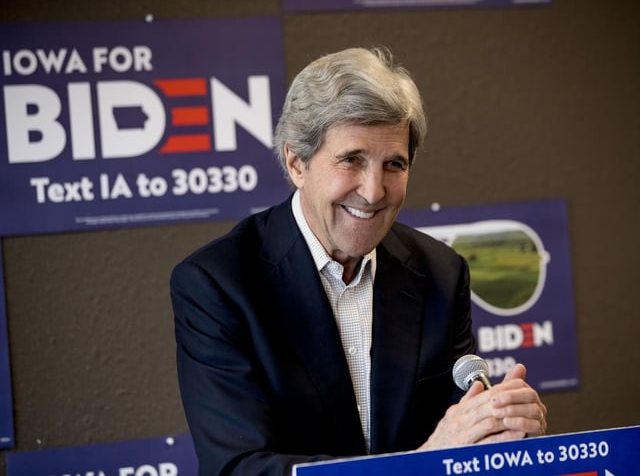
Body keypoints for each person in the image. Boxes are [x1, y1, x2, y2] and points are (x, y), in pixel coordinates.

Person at [170, 47, 547, 476]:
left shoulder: (439, 273)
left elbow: (458, 440)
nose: (373, 191)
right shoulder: (217, 285)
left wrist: (501, 431)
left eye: (393, 165)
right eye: (352, 160)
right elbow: (240, 468)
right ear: (297, 162)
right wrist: (420, 464)